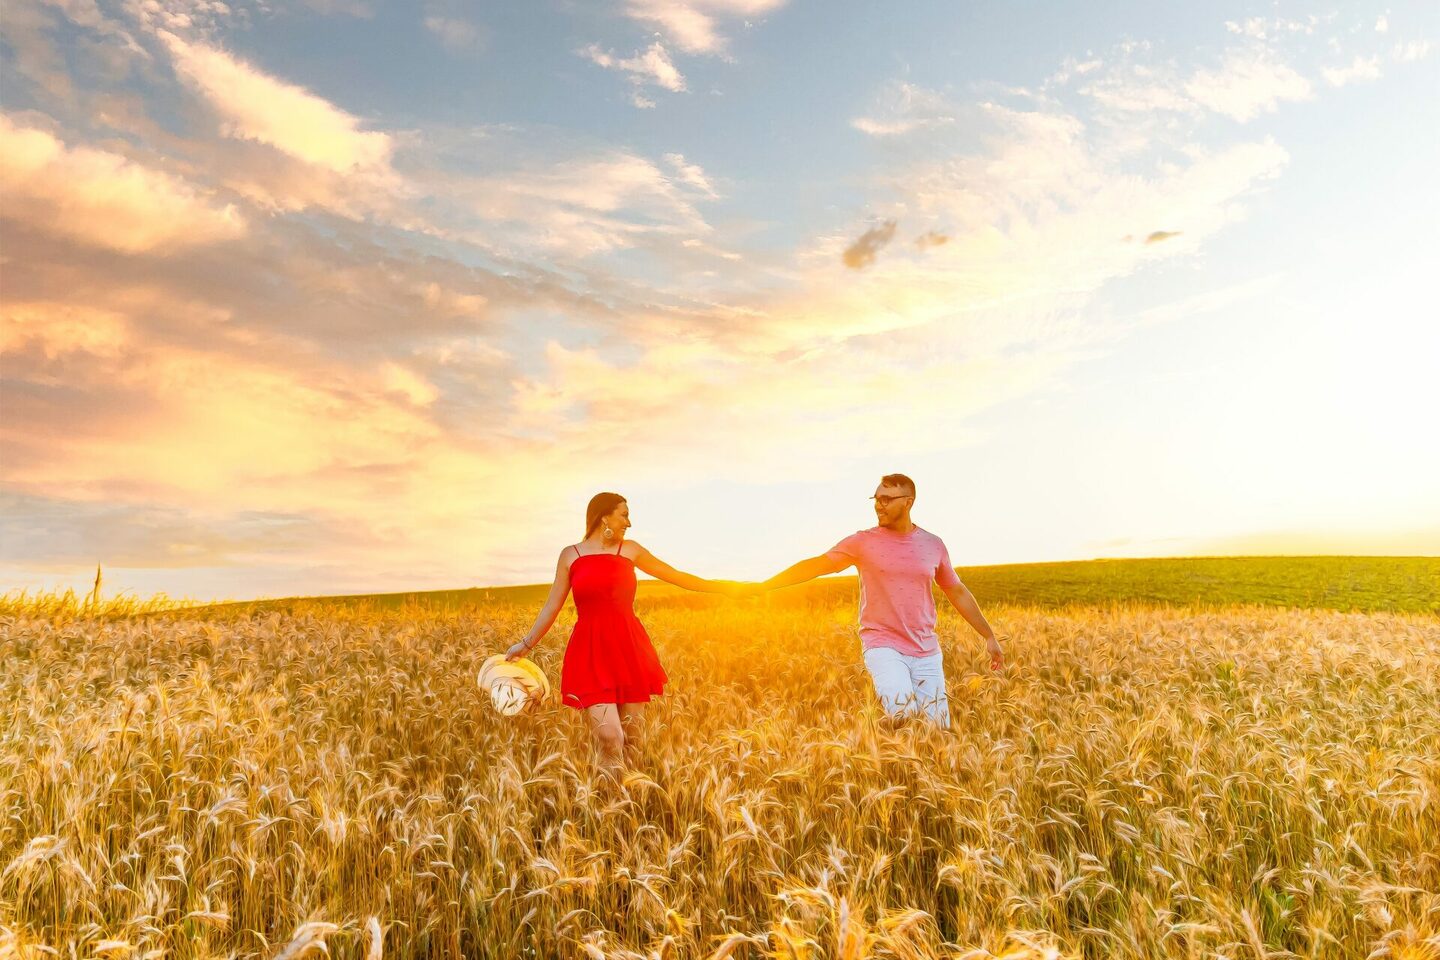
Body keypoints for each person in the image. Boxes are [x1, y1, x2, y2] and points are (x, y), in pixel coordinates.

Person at [505, 492, 731, 775]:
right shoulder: (570, 555)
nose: (629, 522)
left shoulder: (631, 550)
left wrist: (726, 588)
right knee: (610, 738)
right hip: (590, 651)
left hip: (629, 648)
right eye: (624, 514)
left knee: (632, 741)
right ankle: (607, 807)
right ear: (604, 517)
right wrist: (526, 644)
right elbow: (552, 605)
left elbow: (677, 576)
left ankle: (626, 809)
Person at [754, 474, 1003, 728]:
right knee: (904, 717)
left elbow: (957, 591)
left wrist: (988, 635)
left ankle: (896, 760)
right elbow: (816, 565)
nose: (878, 505)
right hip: (883, 644)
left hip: (927, 650)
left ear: (908, 502)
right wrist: (764, 586)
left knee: (937, 731)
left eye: (886, 499)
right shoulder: (863, 542)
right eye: (876, 498)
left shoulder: (933, 545)